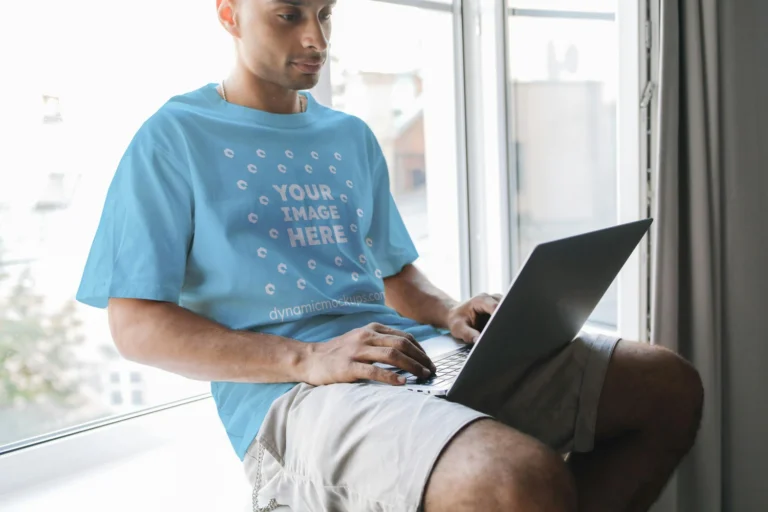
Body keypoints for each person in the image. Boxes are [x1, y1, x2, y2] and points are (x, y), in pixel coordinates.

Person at [75, 0, 704, 510]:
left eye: (326, 13)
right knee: (518, 479)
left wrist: (449, 311)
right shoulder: (173, 137)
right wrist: (310, 356)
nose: (316, 37)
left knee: (666, 386)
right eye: (289, 15)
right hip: (291, 395)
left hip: (407, 354)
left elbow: (395, 273)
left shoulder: (347, 135)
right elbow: (136, 326)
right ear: (229, 13)